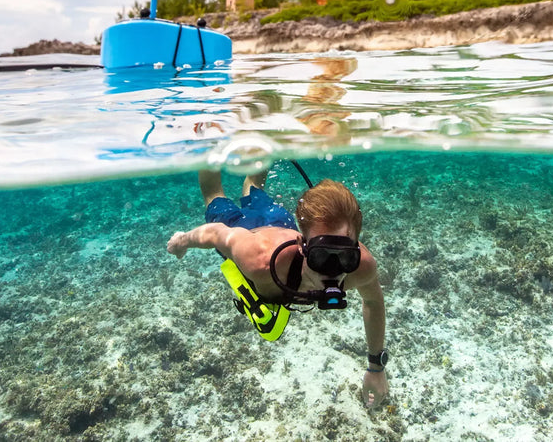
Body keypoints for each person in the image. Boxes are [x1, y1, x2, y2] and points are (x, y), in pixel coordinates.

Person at [167, 168, 389, 407]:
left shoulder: (362, 267)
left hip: (278, 221)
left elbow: (374, 301)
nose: (331, 272)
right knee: (214, 194)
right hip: (246, 230)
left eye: (346, 257)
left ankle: (258, 151)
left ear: (356, 250)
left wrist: (376, 368)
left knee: (254, 187)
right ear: (302, 246)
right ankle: (211, 146)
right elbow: (216, 233)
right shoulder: (259, 260)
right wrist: (183, 241)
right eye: (320, 257)